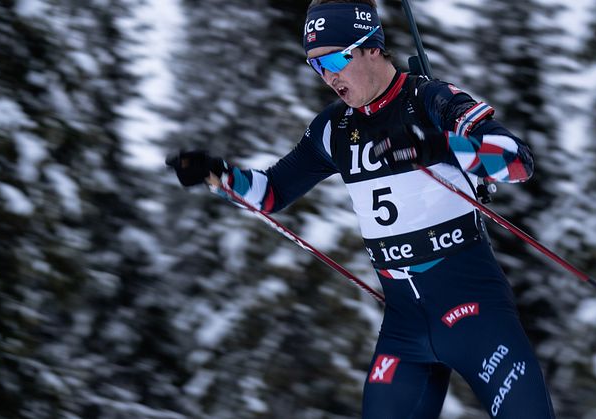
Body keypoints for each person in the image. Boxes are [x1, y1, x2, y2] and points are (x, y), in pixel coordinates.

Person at [167, 1, 555, 417]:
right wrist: (218, 174)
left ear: (372, 47)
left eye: (335, 59)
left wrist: (437, 146)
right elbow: (271, 193)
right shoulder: (335, 128)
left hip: (473, 309)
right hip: (405, 330)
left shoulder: (429, 100)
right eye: (316, 65)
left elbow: (517, 160)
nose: (329, 76)